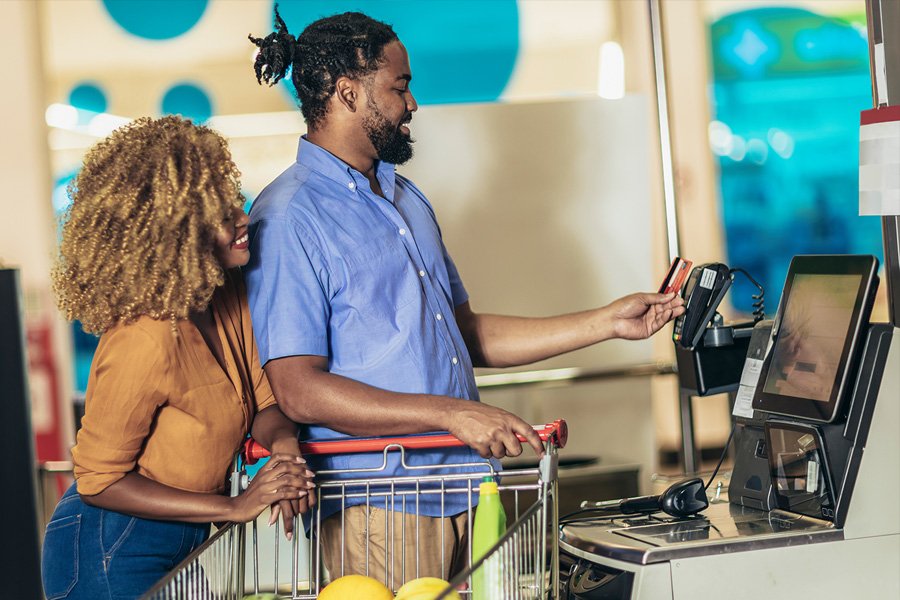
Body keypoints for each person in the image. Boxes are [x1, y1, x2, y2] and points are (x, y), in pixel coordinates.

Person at [246, 8, 684, 585]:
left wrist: (606, 323)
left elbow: (466, 333)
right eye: (399, 87)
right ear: (348, 93)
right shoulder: (289, 217)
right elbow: (298, 390)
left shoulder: (406, 201)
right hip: (380, 508)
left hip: (465, 489)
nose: (413, 103)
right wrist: (454, 414)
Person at [41, 115, 316, 600]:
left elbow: (266, 401)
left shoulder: (226, 296)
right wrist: (234, 507)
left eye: (232, 199)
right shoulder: (142, 339)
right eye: (217, 214)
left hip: (184, 540)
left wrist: (285, 454)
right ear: (171, 233)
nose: (241, 217)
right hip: (109, 544)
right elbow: (98, 481)